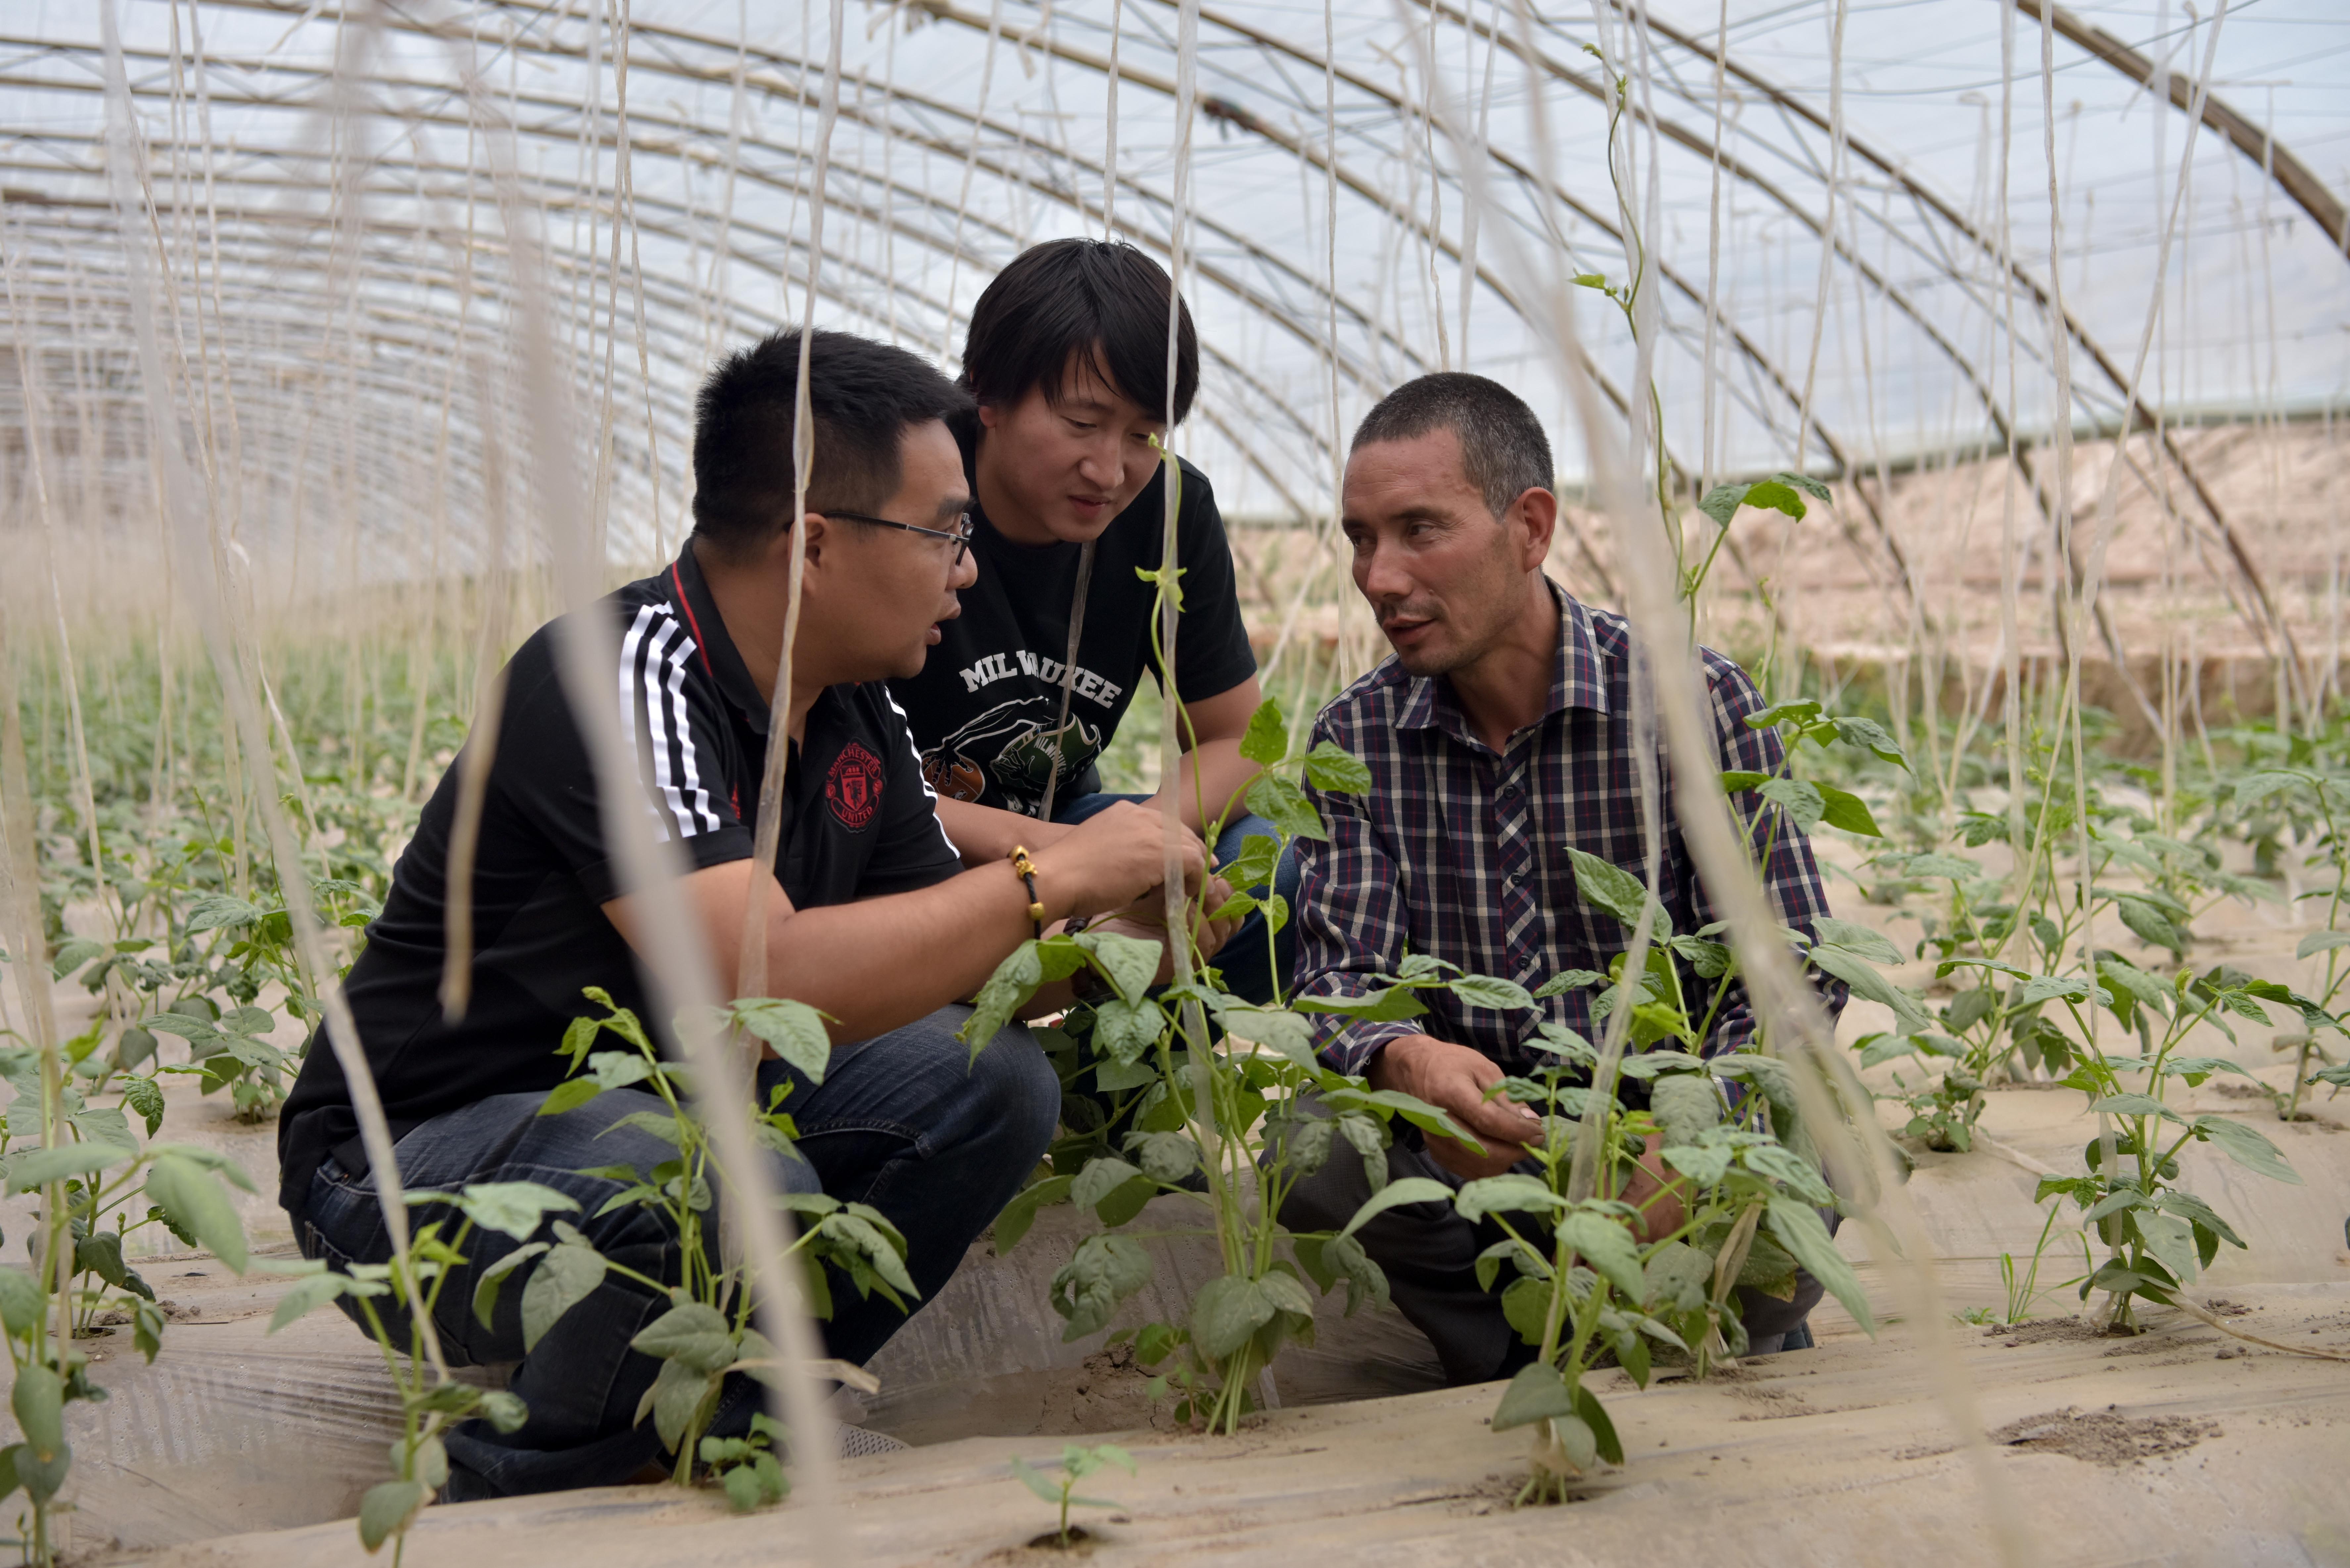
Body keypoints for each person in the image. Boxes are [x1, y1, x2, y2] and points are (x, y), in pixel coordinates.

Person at [278, 328, 1218, 1499]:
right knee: (716, 1170)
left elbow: (945, 949)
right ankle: (544, 1480)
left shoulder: (852, 709)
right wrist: (1058, 873)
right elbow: (766, 974)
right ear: (815, 540)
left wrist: (1135, 948)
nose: (967, 571)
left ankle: (749, 1408)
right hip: (402, 1168)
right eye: (946, 532)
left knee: (994, 1081)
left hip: (658, 1115)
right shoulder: (621, 675)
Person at [1279, 373, 1847, 1387]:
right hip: (1483, 1157)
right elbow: (1337, 985)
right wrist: (1408, 1061)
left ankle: (1730, 1313)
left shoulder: (1687, 701)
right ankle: (1510, 1357)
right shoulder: (1354, 738)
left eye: (1418, 530)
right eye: (1361, 538)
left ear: (1528, 526)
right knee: (1310, 1144)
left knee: (1818, 1127)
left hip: (1664, 1136)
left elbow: (1787, 968)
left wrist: (1694, 1127)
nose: (1379, 575)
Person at [886, 239, 1298, 1007]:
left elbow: (1237, 740)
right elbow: (847, 784)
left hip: (1065, 815)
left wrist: (1137, 845)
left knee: (1263, 869)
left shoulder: (1170, 509)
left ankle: (1129, 1088)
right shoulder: (905, 487)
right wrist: (1075, 862)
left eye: (1144, 435)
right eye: (1082, 422)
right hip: (904, 842)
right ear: (989, 393)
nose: (1111, 471)